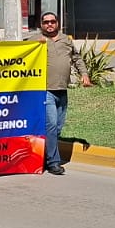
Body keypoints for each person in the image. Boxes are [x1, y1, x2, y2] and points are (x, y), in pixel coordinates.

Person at [37, 11, 90, 175]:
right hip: (45, 91)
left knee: (58, 128)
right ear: (41, 24)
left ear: (57, 23)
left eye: (52, 21)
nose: (49, 24)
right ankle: (53, 163)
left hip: (62, 90)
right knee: (51, 126)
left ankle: (44, 156)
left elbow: (77, 58)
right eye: (46, 22)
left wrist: (84, 74)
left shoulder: (66, 40)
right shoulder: (35, 40)